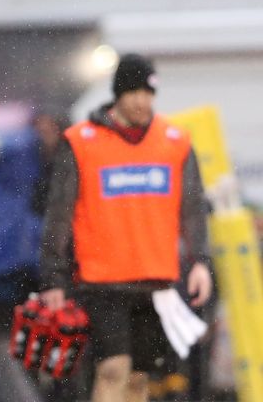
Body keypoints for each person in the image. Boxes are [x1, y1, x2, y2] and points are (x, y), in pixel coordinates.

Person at [38, 53, 213, 402]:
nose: (142, 102)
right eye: (134, 93)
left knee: (138, 379)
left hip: (156, 280)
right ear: (118, 94)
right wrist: (53, 277)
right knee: (113, 368)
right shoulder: (82, 142)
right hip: (101, 280)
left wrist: (200, 263)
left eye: (149, 94)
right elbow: (60, 214)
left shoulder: (175, 141)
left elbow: (192, 208)